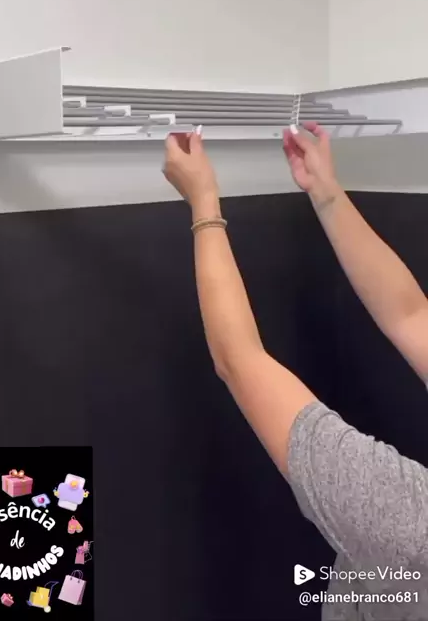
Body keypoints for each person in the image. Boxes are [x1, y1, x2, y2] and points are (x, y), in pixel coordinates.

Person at [162, 123, 428, 621]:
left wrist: (203, 204)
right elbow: (412, 315)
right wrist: (327, 194)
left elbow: (240, 361)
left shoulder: (407, 519)